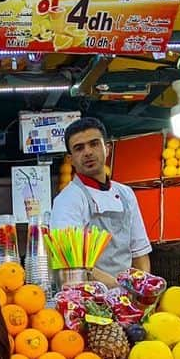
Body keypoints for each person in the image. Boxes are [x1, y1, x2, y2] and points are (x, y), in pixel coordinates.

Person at [49, 116, 152, 286]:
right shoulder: (67, 200)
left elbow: (140, 253)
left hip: (128, 295)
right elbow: (75, 265)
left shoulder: (126, 194)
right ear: (71, 159)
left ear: (107, 148)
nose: (88, 152)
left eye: (94, 144)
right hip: (90, 298)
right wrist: (119, 290)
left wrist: (141, 288)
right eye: (79, 148)